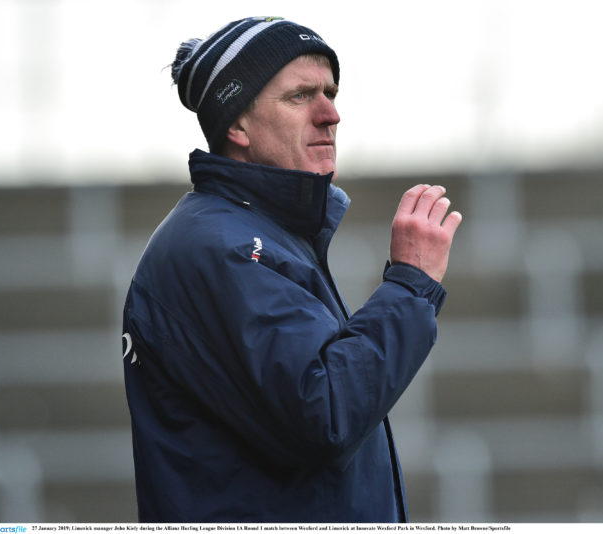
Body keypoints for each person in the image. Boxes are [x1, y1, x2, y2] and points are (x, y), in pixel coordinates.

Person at [122, 16, 462, 523]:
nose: (331, 114)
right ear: (236, 124)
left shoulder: (259, 235)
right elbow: (325, 413)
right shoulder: (222, 247)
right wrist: (410, 287)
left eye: (331, 91)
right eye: (301, 96)